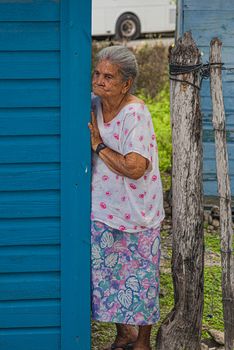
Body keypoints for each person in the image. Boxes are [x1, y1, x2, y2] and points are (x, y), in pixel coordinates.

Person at [88, 45, 165, 350]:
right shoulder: (93, 105)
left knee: (143, 277)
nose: (100, 80)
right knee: (106, 273)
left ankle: (142, 342)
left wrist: (99, 146)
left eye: (109, 76)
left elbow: (135, 167)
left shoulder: (136, 113)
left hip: (138, 211)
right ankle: (124, 334)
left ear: (126, 83)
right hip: (104, 209)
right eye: (97, 73)